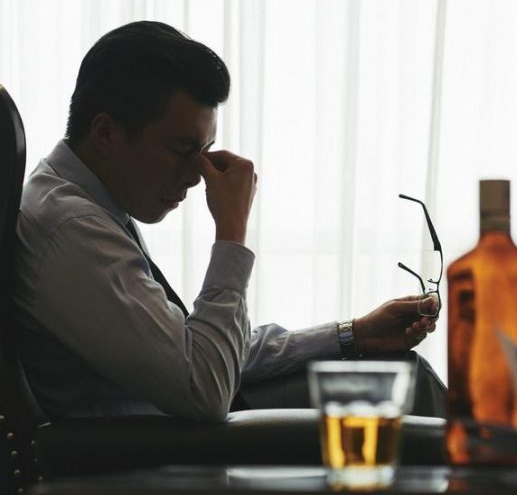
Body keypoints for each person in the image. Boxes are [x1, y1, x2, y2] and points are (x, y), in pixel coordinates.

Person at [13, 21, 444, 422]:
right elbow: (204, 387)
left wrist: (351, 335)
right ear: (106, 133)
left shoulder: (87, 203)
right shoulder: (70, 226)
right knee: (409, 389)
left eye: (204, 151)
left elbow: (204, 351)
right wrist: (231, 236)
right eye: (182, 151)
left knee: (402, 373)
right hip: (147, 461)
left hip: (163, 441)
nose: (195, 176)